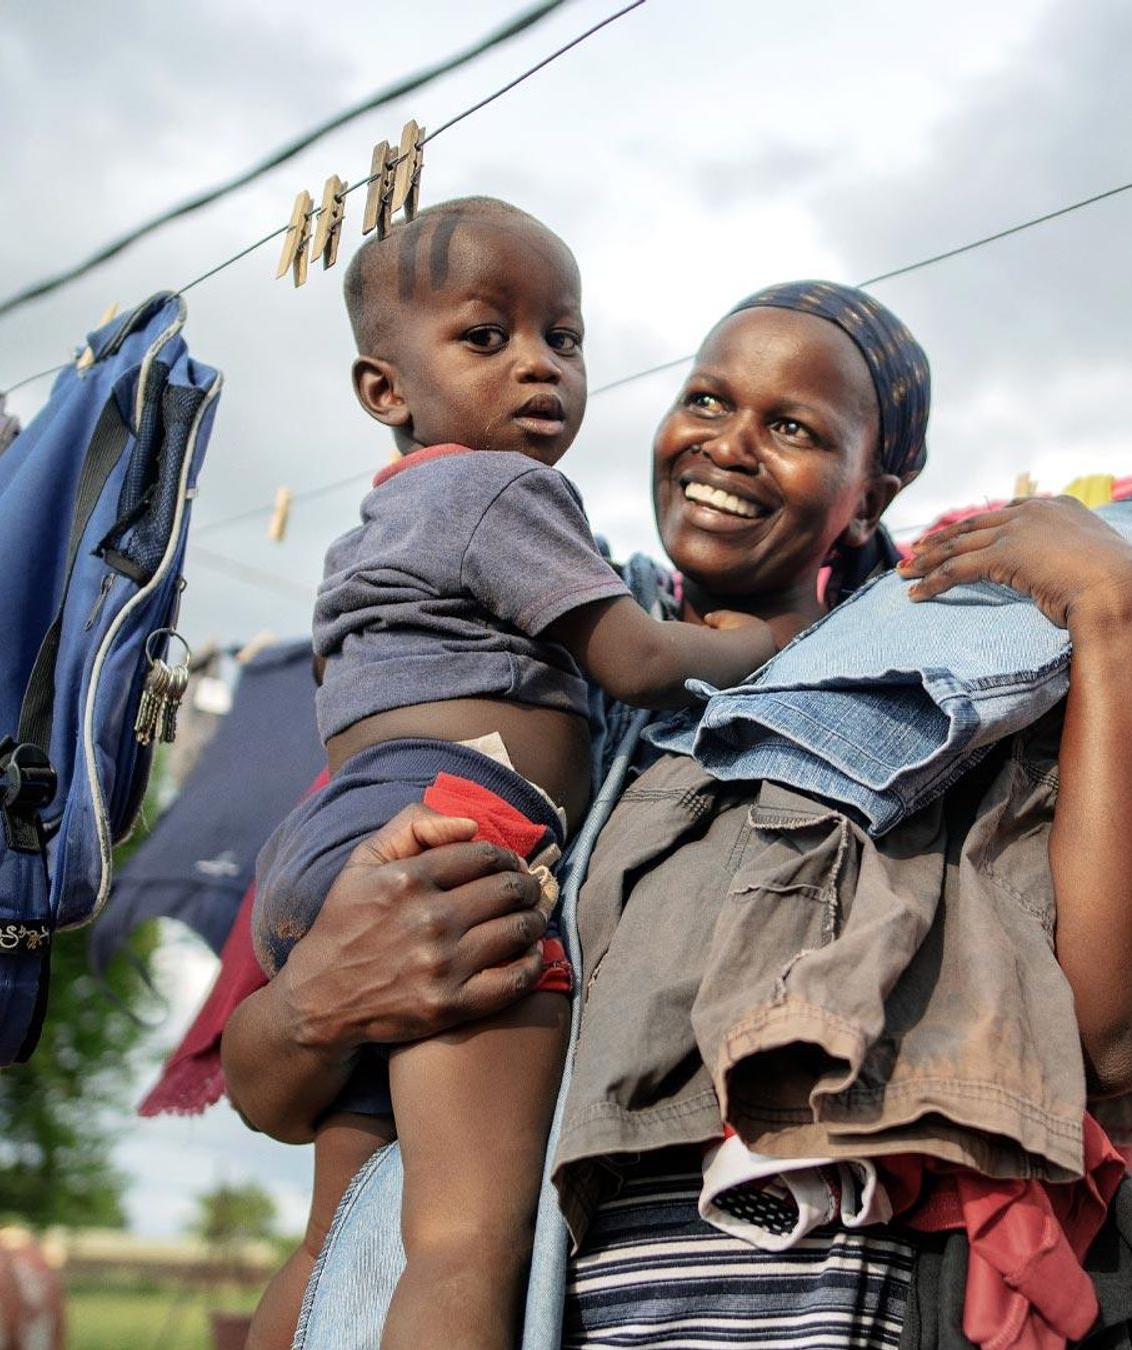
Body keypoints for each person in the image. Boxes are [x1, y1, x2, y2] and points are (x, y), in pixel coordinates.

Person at [226, 280, 1132, 1346]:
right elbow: (270, 1090)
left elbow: (1111, 1033)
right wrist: (317, 1000)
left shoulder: (952, 682)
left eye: (791, 427)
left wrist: (1117, 615)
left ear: (871, 492)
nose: (727, 447)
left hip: (852, 1312)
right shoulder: (539, 703)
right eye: (705, 401)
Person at [246, 196, 782, 1350]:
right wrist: (760, 646)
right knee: (464, 1241)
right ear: (383, 389)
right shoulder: (501, 491)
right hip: (460, 835)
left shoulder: (382, 521)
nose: (539, 366)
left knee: (338, 1238)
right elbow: (636, 659)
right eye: (487, 338)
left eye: (565, 337)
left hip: (339, 849)